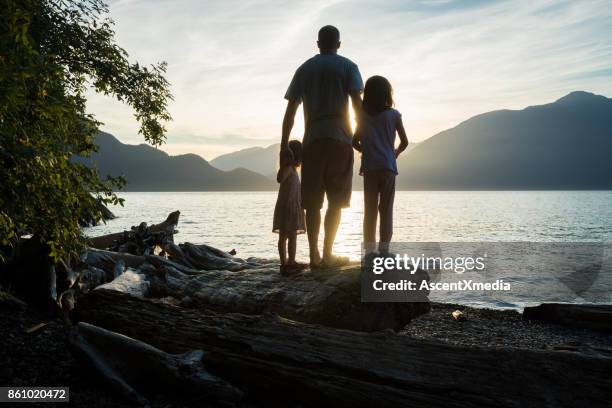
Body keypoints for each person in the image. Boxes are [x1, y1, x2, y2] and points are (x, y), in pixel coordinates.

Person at [281, 25, 363, 268]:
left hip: (313, 140)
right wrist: (359, 133)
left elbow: (290, 111)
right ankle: (327, 254)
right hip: (340, 139)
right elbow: (358, 104)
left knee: (312, 203)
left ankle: (314, 256)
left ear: (317, 43)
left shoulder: (305, 69)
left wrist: (284, 144)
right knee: (336, 201)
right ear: (339, 44)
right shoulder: (348, 66)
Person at [352, 76, 408, 255]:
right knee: (386, 210)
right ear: (387, 93)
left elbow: (354, 141)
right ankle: (384, 251)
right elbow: (404, 142)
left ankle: (369, 251)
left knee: (370, 211)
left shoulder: (362, 116)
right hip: (388, 168)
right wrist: (394, 154)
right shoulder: (394, 115)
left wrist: (365, 150)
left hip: (370, 168)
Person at [273, 140, 307, 274]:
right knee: (285, 236)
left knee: (291, 235)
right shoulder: (287, 168)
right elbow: (279, 179)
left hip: (292, 206)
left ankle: (289, 262)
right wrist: (285, 163)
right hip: (287, 206)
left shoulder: (294, 170)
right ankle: (286, 263)